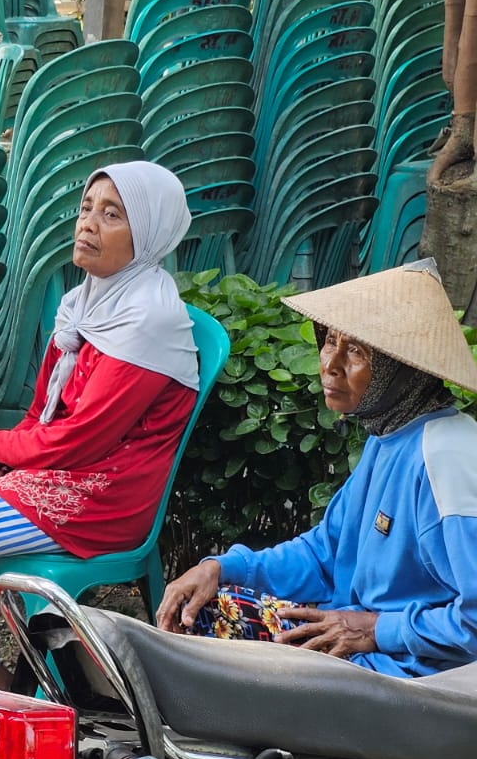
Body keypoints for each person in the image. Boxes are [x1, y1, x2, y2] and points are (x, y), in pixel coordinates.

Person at [0, 160, 202, 693]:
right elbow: (42, 416)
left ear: (151, 235)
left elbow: (81, 439)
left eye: (111, 214)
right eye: (87, 208)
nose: (87, 223)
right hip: (49, 471)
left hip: (97, 499)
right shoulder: (85, 303)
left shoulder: (147, 320)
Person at [157, 259, 477, 678]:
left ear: (402, 370)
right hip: (362, 650)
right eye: (330, 341)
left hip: (409, 680)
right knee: (201, 601)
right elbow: (324, 554)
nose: (330, 363)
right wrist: (219, 568)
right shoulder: (390, 437)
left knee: (211, 622)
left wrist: (381, 629)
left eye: (357, 351)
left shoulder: (447, 454)